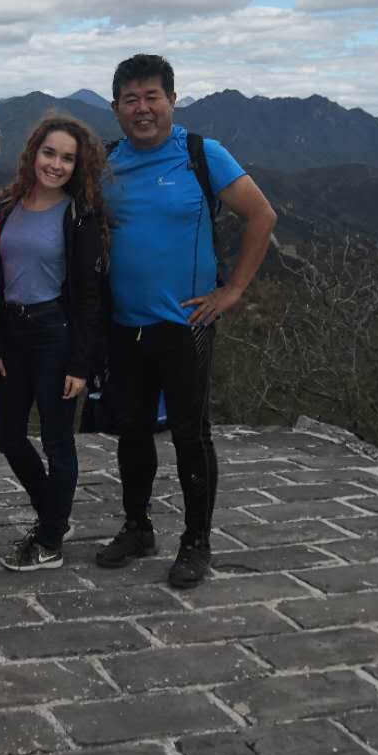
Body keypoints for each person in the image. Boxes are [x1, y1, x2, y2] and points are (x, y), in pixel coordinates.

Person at [96, 54, 277, 588]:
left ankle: (196, 540)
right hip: (123, 325)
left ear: (173, 100)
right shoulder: (106, 163)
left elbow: (262, 214)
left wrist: (234, 290)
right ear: (116, 108)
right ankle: (137, 526)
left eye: (153, 96)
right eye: (131, 99)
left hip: (186, 326)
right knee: (131, 431)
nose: (142, 108)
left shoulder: (202, 155)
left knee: (190, 434)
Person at [0, 116, 107, 571]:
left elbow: (89, 295)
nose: (56, 164)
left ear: (79, 167)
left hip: (54, 332)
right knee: (7, 436)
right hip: (14, 336)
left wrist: (82, 362)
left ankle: (51, 539)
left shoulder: (79, 215)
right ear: (33, 153)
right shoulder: (8, 204)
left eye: (67, 158)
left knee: (58, 443)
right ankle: (54, 513)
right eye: (49, 153)